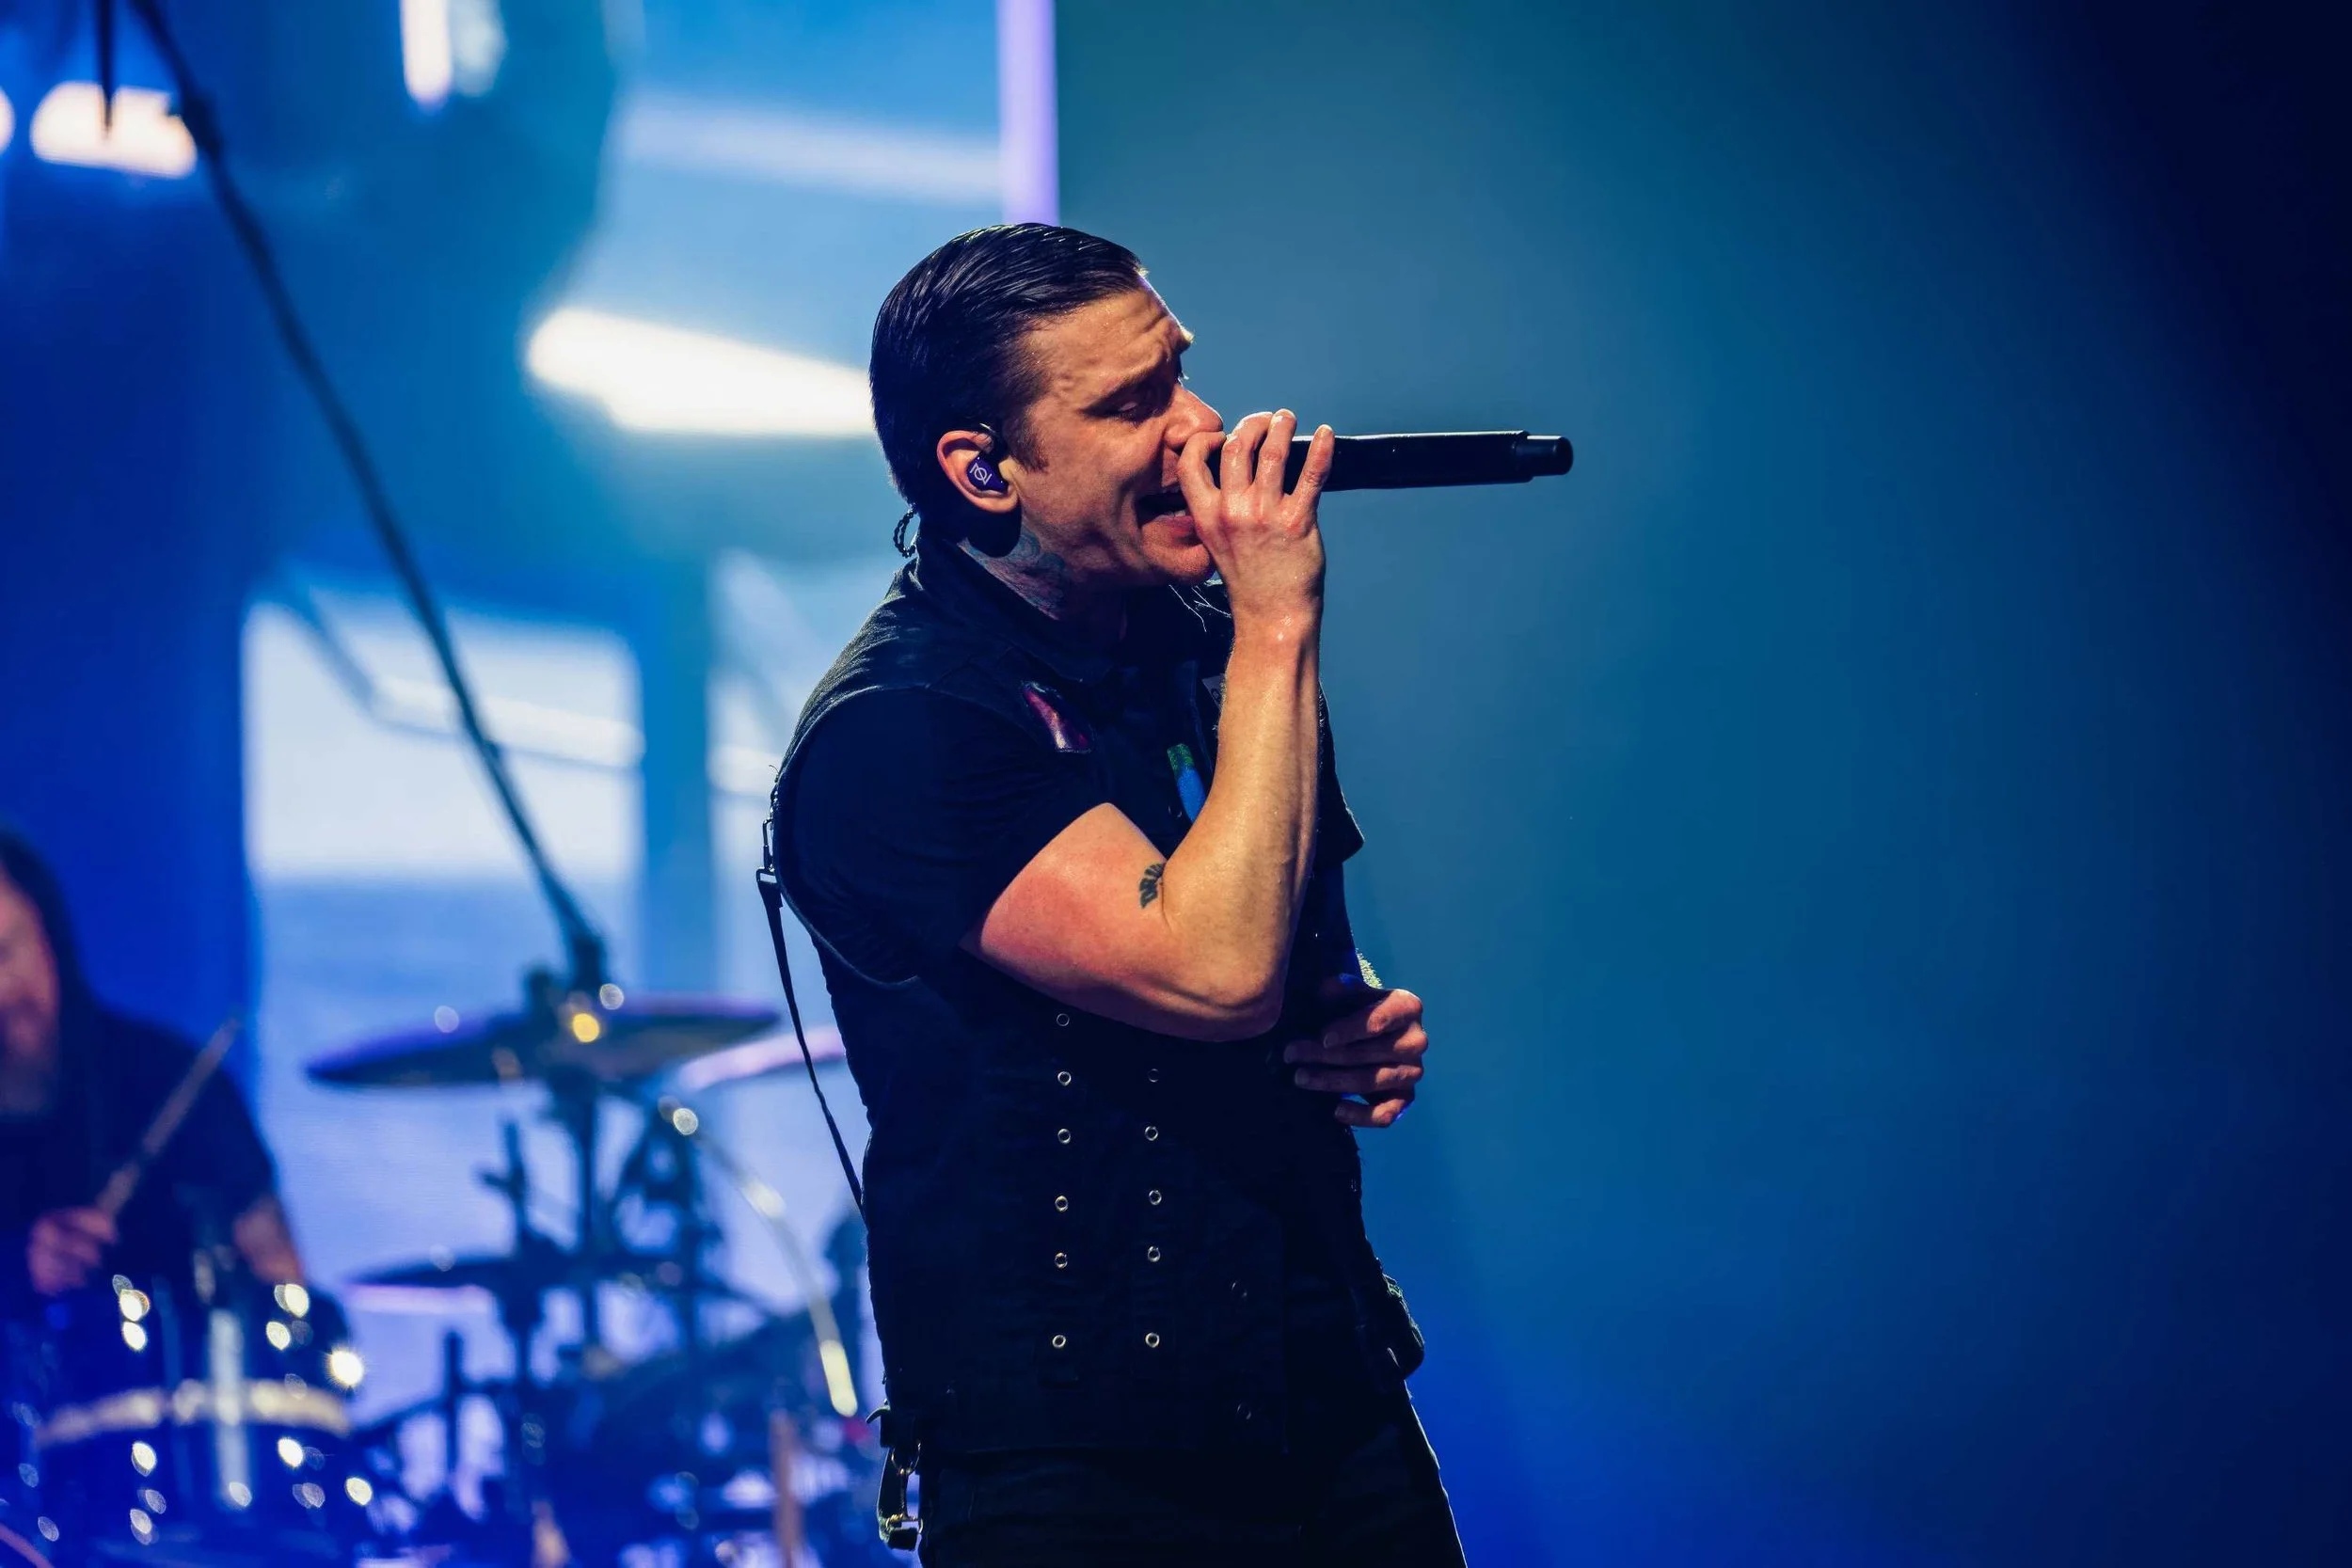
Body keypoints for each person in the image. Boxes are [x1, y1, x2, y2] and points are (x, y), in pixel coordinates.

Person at [767, 225, 1464, 1565]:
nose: (1198, 426)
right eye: (1132, 403)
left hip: (1323, 1386)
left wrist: (1349, 1013)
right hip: (1082, 1466)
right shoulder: (901, 728)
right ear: (982, 470)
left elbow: (1284, 942)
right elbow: (1210, 967)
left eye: (1180, 374)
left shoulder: (1196, 648)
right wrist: (1280, 623)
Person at [0, 829, 303, 1314]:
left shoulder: (169, 1080)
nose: (3, 991)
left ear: (48, 933)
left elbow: (279, 1276)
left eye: (5, 951)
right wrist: (16, 1269)